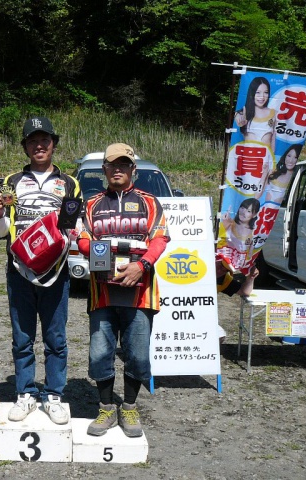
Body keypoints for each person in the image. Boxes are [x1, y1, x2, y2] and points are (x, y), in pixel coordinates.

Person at [0, 117, 81, 425]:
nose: (39, 146)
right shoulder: (11, 182)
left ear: (53, 144)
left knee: (56, 337)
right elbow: (2, 231)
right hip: (20, 269)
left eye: (45, 140)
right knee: (22, 337)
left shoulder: (70, 183)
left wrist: (61, 239)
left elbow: (73, 227)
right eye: (32, 141)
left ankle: (54, 395)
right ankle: (25, 393)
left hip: (56, 271)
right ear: (25, 146)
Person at [76, 143, 170, 438]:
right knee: (99, 354)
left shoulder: (150, 202)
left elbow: (160, 239)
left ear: (133, 169)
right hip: (102, 292)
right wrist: (100, 259)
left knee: (138, 355)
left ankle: (128, 405)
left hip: (140, 291)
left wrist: (142, 265)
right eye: (112, 165)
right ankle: (105, 407)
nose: (117, 169)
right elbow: (81, 238)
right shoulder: (91, 204)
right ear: (104, 170)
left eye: (123, 164)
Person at [215, 253, 259, 343]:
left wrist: (251, 277)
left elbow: (244, 291)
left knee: (219, 336)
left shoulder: (224, 280)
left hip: (203, 316)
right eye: (220, 266)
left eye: (225, 270)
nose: (220, 270)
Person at [234, 76, 276, 152]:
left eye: (266, 92)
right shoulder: (242, 113)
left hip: (265, 160)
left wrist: (271, 160)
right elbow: (238, 120)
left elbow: (273, 140)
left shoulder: (273, 113)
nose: (262, 97)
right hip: (248, 158)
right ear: (252, 93)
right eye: (258, 92)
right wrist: (240, 122)